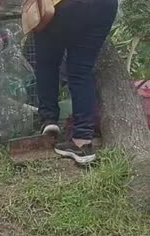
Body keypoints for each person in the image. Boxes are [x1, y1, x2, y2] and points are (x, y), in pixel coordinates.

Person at [35, 0, 118, 164]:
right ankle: (82, 141)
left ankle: (49, 119)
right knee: (81, 71)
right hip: (105, 7)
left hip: (67, 6)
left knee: (47, 62)